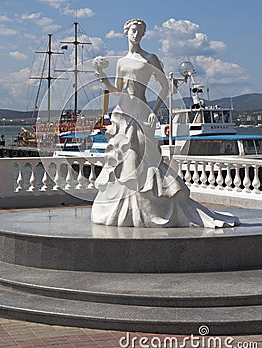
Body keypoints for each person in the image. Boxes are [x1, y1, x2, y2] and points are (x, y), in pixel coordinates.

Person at [91, 18, 240, 228]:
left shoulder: (150, 58)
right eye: (134, 31)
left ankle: (143, 210)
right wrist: (101, 76)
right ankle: (125, 209)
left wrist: (155, 109)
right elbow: (117, 90)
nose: (136, 35)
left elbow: (165, 86)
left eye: (140, 32)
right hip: (123, 113)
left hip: (142, 111)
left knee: (141, 158)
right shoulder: (122, 62)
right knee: (125, 159)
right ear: (126, 32)